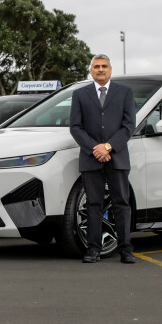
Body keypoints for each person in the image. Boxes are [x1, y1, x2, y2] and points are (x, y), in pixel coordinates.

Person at [69, 54, 137, 264]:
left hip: (117, 157)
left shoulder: (125, 93)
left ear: (110, 69)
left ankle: (125, 249)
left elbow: (129, 126)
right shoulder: (79, 95)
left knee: (121, 203)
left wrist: (107, 147)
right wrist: (95, 149)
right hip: (91, 158)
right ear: (91, 70)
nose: (100, 69)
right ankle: (93, 249)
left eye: (104, 66)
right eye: (96, 66)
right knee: (93, 204)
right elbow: (75, 127)